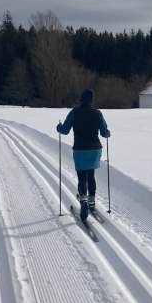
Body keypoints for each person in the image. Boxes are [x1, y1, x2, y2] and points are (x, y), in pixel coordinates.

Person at [56, 88, 110, 221]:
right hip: (95, 150)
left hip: (80, 149)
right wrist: (108, 133)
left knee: (82, 177)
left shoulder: (74, 112)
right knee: (91, 175)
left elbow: (64, 131)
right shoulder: (97, 113)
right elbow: (104, 133)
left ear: (81, 99)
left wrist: (59, 127)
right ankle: (91, 202)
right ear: (92, 100)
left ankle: (84, 201)